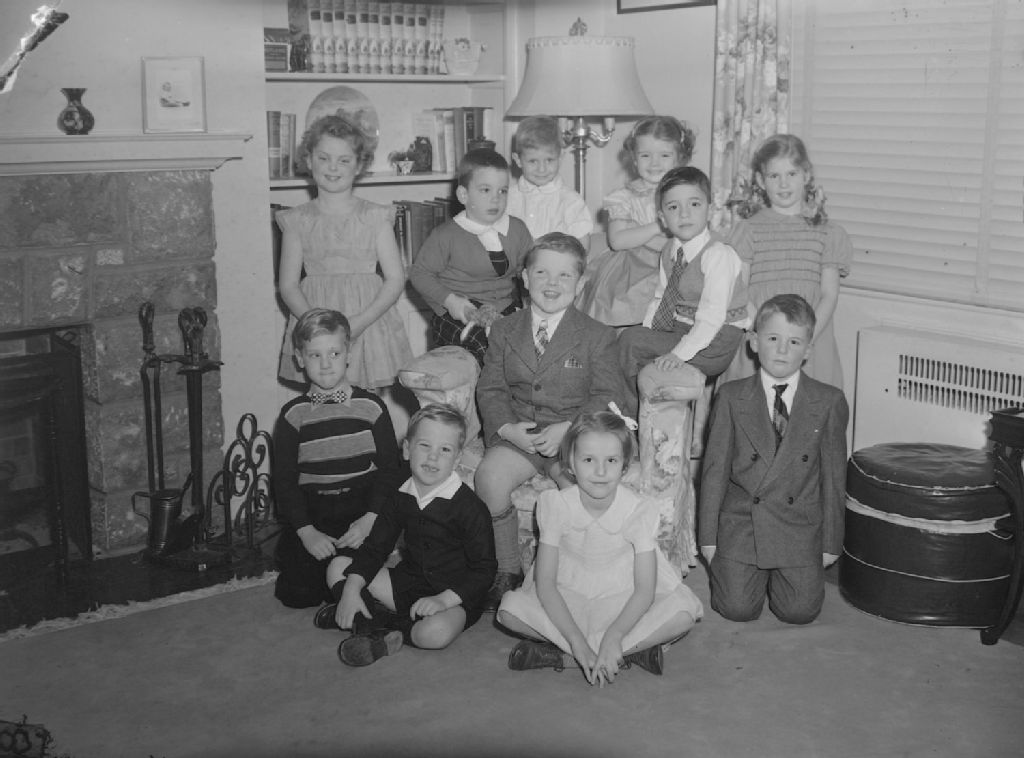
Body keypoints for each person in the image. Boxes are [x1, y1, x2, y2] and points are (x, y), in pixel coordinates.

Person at [475, 232, 624, 611]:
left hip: (573, 437)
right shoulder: (505, 330)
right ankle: (507, 568)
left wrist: (571, 428)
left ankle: (569, 575)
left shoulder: (597, 336)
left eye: (564, 275)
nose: (551, 283)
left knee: (580, 492)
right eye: (541, 273)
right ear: (525, 278)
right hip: (520, 434)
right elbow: (491, 388)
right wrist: (507, 429)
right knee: (489, 477)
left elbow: (609, 396)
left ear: (580, 282)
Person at [497, 411, 702, 684]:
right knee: (508, 610)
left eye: (611, 460)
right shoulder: (556, 505)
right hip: (568, 594)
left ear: (625, 466)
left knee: (683, 614)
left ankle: (575, 656)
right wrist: (577, 641)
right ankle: (614, 654)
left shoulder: (638, 510)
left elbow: (644, 590)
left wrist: (614, 635)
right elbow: (546, 585)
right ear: (570, 463)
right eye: (588, 460)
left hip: (623, 595)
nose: (601, 471)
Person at [698, 294, 849, 625]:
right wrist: (708, 538)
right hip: (743, 525)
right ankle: (744, 574)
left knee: (799, 612)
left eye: (794, 342)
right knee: (736, 609)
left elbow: (835, 480)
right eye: (772, 339)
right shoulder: (731, 396)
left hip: (798, 527)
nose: (782, 350)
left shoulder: (828, 401)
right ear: (754, 343)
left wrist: (830, 543)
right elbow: (713, 471)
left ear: (808, 350)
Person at [317, 403, 497, 667]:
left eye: (445, 450)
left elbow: (485, 570)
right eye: (424, 445)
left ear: (457, 459)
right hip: (408, 584)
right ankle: (366, 619)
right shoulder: (399, 496)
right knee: (338, 567)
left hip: (453, 596)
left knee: (435, 634)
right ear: (406, 449)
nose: (433, 457)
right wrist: (352, 589)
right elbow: (375, 549)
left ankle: (372, 623)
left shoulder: (470, 508)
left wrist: (443, 600)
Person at [272, 308, 404, 609]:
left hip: (361, 508)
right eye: (315, 355)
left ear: (348, 354)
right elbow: (285, 481)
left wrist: (370, 520)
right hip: (314, 511)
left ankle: (355, 599)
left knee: (354, 572)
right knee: (296, 595)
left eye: (334, 353)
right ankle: (343, 600)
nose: (326, 363)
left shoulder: (371, 407)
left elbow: (389, 471)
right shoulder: (293, 415)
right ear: (299, 358)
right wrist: (306, 532)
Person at [277, 115, 412, 390]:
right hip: (314, 319)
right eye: (323, 158)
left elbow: (395, 279)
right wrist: (316, 326)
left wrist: (360, 322)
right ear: (308, 160)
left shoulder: (375, 217)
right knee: (323, 395)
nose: (332, 167)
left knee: (364, 398)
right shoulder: (297, 220)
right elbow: (288, 286)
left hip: (367, 319)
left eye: (344, 160)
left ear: (359, 165)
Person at [722, 133, 853, 389]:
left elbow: (829, 295)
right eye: (774, 176)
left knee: (807, 405)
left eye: (791, 174)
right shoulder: (748, 230)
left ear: (806, 175)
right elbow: (738, 290)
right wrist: (765, 335)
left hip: (811, 338)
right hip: (760, 334)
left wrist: (803, 339)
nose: (783, 184)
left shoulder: (829, 233)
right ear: (761, 180)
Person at [616, 166, 749, 417]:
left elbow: (711, 317)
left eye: (694, 204)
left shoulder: (718, 254)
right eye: (673, 207)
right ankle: (638, 413)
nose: (684, 214)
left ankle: (627, 417)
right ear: (662, 218)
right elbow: (661, 298)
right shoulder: (670, 250)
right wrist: (649, 333)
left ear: (710, 210)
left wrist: (678, 354)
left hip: (717, 339)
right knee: (633, 340)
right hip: (683, 327)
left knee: (630, 342)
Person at [408, 147, 533, 365]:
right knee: (491, 350)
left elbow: (528, 269)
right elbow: (419, 274)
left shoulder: (517, 229)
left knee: (531, 347)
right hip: (459, 312)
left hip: (503, 307)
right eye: (485, 190)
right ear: (463, 195)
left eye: (502, 191)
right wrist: (451, 301)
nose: (495, 199)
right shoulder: (446, 235)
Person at [576, 115, 696, 327]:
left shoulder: (686, 196)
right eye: (645, 155)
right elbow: (617, 241)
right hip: (630, 270)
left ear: (680, 159)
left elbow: (692, 238)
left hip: (674, 267)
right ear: (634, 159)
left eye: (664, 155)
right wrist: (657, 226)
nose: (654, 163)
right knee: (623, 309)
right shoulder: (624, 198)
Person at [506, 116, 593, 245]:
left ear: (560, 157)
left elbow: (583, 246)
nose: (542, 169)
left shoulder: (571, 201)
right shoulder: (508, 198)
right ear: (518, 160)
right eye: (533, 161)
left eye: (549, 160)